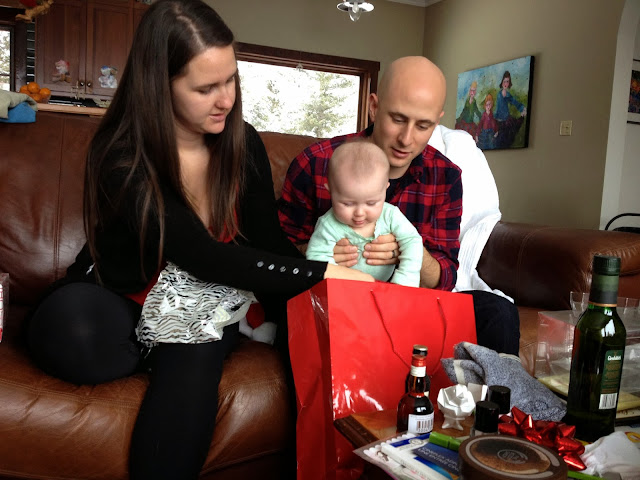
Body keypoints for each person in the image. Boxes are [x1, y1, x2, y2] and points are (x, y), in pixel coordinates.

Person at [24, 1, 373, 479]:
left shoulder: (242, 142)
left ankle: (177, 345)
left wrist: (323, 289)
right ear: (159, 85)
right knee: (71, 331)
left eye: (230, 80)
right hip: (124, 292)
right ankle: (155, 345)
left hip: (206, 296)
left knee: (196, 336)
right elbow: (200, 253)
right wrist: (321, 272)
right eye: (205, 88)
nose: (225, 99)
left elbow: (266, 243)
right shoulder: (122, 152)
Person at [278, 56, 520, 355]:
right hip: (337, 303)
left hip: (410, 305)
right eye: (398, 119)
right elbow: (277, 254)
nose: (407, 139)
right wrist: (322, 256)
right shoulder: (315, 163)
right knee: (291, 320)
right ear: (374, 106)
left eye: (423, 125)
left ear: (438, 121)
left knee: (499, 312)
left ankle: (498, 389)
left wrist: (407, 252)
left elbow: (445, 276)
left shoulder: (445, 176)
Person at [306, 140, 423, 287]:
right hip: (343, 288)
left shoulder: (390, 215)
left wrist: (405, 279)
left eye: (371, 203)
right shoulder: (328, 225)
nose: (360, 213)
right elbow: (316, 260)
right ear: (330, 192)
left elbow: (412, 241)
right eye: (348, 204)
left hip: (386, 288)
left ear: (385, 189)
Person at [494, 70, 527, 148]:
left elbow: (514, 102)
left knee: (509, 135)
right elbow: (497, 108)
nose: (506, 83)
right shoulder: (499, 94)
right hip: (500, 120)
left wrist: (522, 108)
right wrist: (495, 119)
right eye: (504, 81)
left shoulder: (508, 94)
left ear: (509, 83)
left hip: (506, 119)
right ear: (502, 82)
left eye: (507, 82)